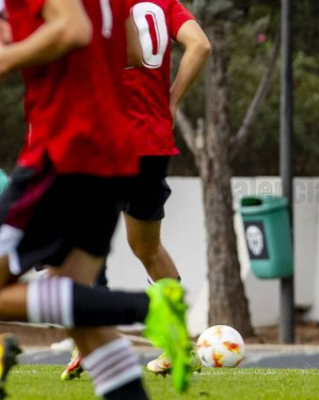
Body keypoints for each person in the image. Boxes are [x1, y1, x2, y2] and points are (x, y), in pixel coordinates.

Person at [0, 0, 193, 398]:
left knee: (77, 304)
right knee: (82, 318)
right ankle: (145, 314)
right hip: (113, 149)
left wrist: (8, 57)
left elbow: (72, 30)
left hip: (65, 150)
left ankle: (144, 308)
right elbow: (134, 53)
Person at [59, 0, 211, 380]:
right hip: (152, 143)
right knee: (147, 247)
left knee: (77, 241)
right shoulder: (164, 3)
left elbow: (117, 52)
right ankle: (176, 346)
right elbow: (201, 45)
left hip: (107, 137)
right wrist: (171, 100)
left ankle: (94, 341)